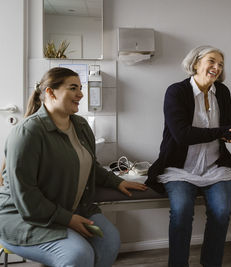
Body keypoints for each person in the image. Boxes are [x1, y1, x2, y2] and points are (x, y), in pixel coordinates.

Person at [0, 67, 147, 267]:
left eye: (80, 87)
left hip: (69, 207)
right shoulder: (28, 133)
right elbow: (27, 197)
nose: (81, 94)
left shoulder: (80, 126)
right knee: (78, 254)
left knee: (110, 241)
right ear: (51, 92)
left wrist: (117, 181)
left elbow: (90, 166)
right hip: (23, 217)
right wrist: (68, 219)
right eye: (73, 88)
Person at [146, 45, 231, 267]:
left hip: (214, 167)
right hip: (180, 170)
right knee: (181, 213)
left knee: (221, 213)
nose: (217, 67)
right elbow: (182, 135)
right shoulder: (176, 91)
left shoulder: (223, 92)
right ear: (195, 64)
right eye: (211, 61)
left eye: (220, 64)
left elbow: (226, 129)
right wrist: (223, 132)